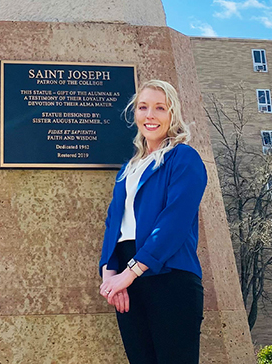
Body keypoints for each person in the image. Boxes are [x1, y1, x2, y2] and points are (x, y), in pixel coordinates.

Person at [98, 80, 207, 364]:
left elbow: (174, 222)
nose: (150, 115)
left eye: (160, 108)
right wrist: (110, 275)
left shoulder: (183, 158)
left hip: (170, 277)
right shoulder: (129, 168)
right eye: (143, 107)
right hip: (127, 280)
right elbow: (114, 222)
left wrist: (130, 273)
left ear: (172, 114)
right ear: (134, 113)